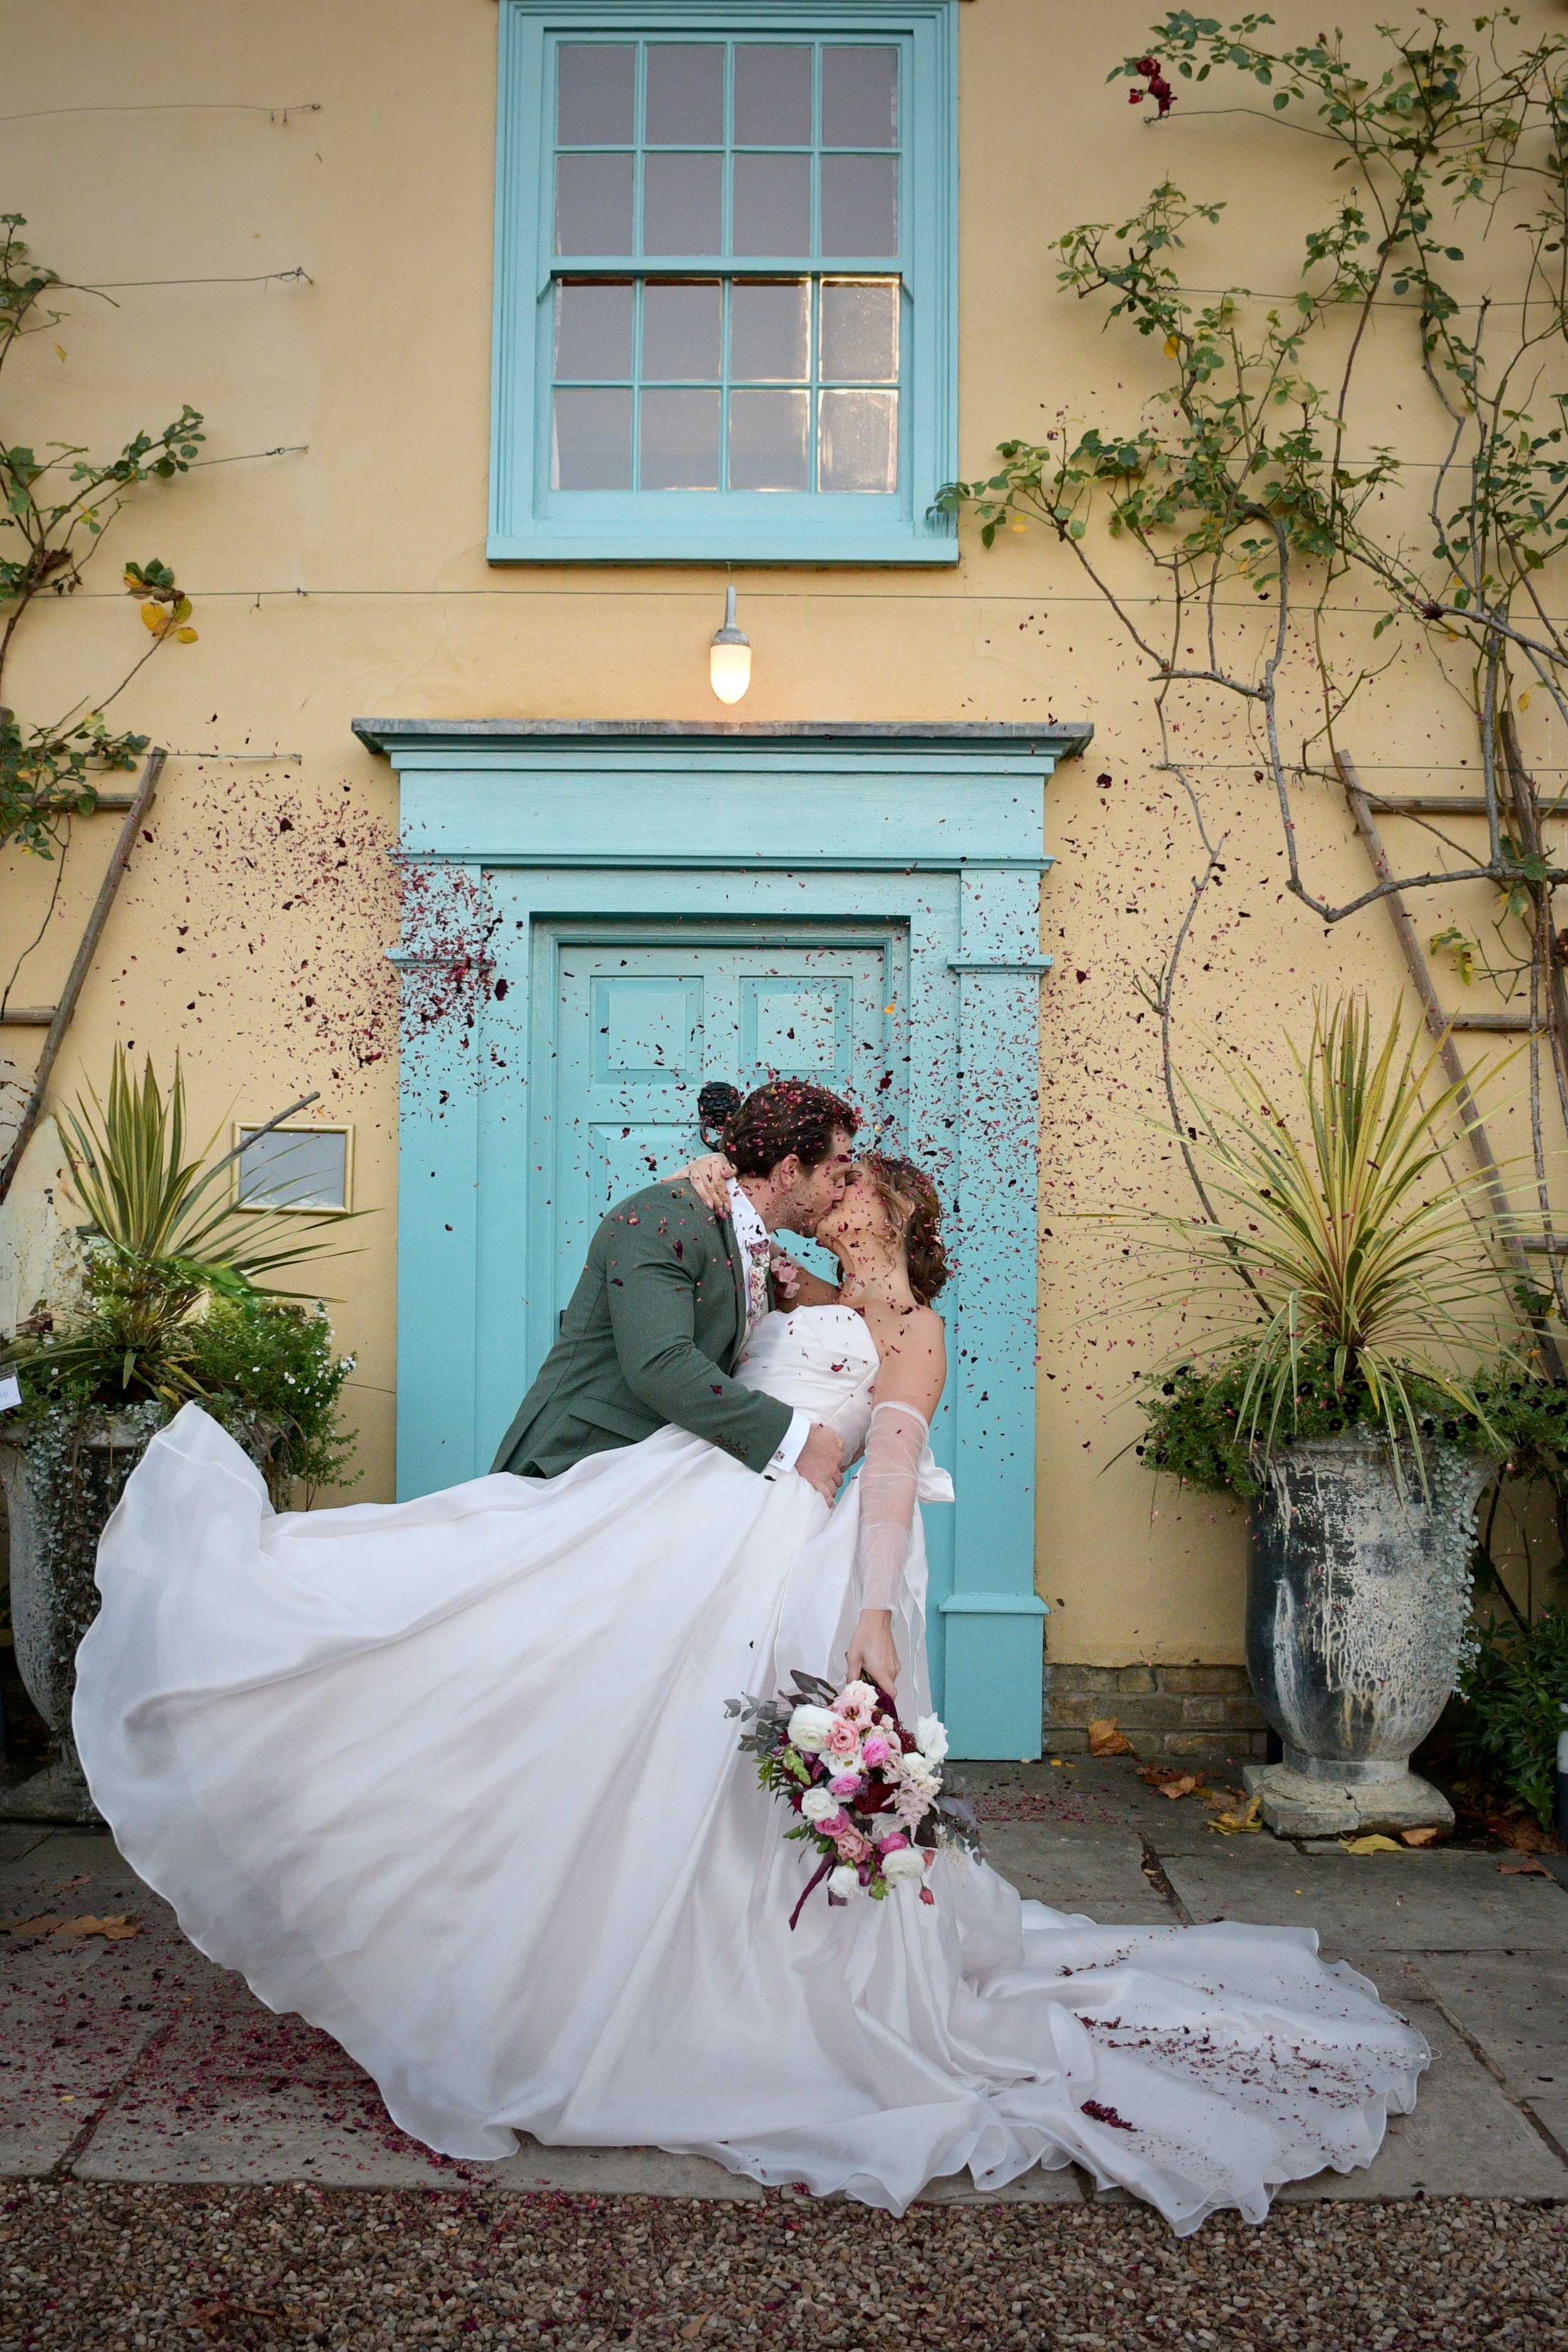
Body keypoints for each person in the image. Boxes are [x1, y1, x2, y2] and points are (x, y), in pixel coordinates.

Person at [72, 1144, 1428, 2233]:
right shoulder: (780, 1287)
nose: (841, 1189)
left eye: (863, 1181)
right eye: (832, 1174)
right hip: (675, 1519)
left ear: (896, 1213)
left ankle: (732, 1986)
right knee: (565, 1705)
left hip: (805, 1559)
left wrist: (876, 1629)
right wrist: (700, 1185)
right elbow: (688, 1295)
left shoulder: (910, 1327)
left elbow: (886, 1472)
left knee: (733, 1778)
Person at [489, 1079, 857, 1505]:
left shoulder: (757, 1246)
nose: (841, 1193)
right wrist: (794, 1441)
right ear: (791, 1171)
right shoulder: (662, 1216)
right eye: (839, 1175)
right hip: (575, 1471)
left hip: (660, 1488)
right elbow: (660, 1363)